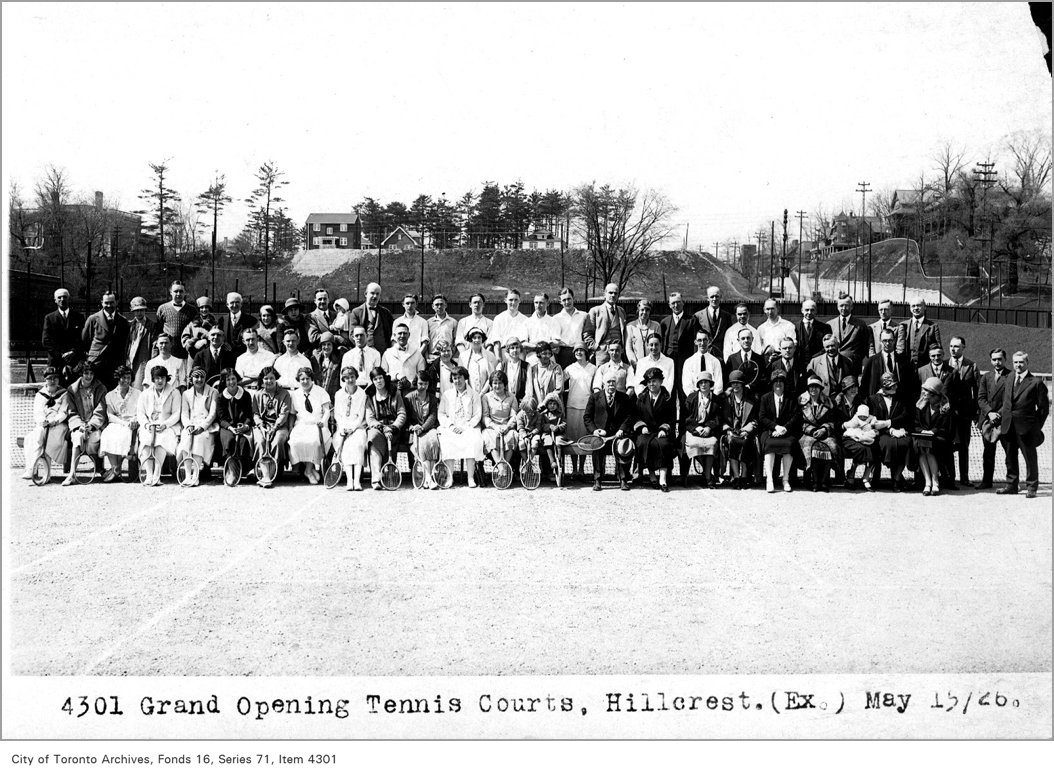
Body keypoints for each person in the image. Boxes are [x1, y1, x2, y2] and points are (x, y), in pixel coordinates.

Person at [997, 351, 1050, 498]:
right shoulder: (1009, 379)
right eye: (1015, 362)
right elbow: (1007, 402)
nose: (1018, 365)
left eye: (1021, 362)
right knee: (1010, 456)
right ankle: (1011, 485)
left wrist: (1035, 426)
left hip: (1026, 427)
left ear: (1027, 363)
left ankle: (1032, 487)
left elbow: (1044, 409)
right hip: (1008, 425)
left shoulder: (1036, 383)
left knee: (1030, 457)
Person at [584, 372, 634, 491]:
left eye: (613, 382)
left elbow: (629, 417)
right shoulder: (594, 397)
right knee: (596, 446)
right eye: (608, 382)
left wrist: (622, 429)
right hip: (600, 436)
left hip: (618, 435)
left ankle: (623, 479)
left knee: (623, 446)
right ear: (603, 384)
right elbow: (587, 417)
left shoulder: (624, 398)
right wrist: (595, 431)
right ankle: (597, 480)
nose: (611, 384)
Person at [865, 373, 914, 492]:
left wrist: (890, 423)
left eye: (895, 385)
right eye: (892, 386)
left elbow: (905, 416)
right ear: (884, 387)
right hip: (882, 433)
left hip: (899, 430)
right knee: (888, 444)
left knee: (906, 443)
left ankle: (896, 478)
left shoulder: (901, 398)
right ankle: (896, 478)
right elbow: (873, 421)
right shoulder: (873, 400)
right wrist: (889, 429)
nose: (895, 388)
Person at [437, 366, 483, 488]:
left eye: (460, 377)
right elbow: (441, 414)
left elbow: (477, 414)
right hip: (452, 427)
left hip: (468, 427)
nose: (457, 381)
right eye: (455, 378)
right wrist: (450, 426)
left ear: (465, 378)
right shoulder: (446, 395)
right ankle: (450, 477)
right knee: (446, 440)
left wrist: (466, 427)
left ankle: (470, 477)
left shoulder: (474, 394)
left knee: (473, 440)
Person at [62, 362, 108, 486]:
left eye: (91, 373)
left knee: (92, 442)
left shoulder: (101, 388)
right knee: (77, 438)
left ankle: (99, 468)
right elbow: (71, 412)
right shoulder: (72, 390)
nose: (89, 376)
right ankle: (72, 474)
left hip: (95, 427)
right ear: (81, 374)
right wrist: (80, 426)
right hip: (79, 426)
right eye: (86, 373)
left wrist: (91, 425)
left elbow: (101, 410)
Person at [136, 365, 183, 485]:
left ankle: (157, 474)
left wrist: (165, 425)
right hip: (149, 426)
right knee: (146, 439)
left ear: (166, 378)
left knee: (161, 440)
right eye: (157, 378)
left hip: (168, 426)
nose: (160, 381)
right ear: (152, 379)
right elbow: (140, 413)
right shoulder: (145, 394)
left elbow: (176, 413)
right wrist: (147, 425)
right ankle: (149, 475)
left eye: (162, 377)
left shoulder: (174, 392)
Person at [21, 366, 69, 481]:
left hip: (59, 426)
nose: (53, 381)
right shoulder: (40, 395)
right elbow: (37, 413)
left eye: (55, 378)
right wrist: (43, 421)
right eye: (50, 378)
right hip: (43, 425)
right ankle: (31, 468)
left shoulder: (64, 393)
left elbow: (64, 412)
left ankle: (46, 474)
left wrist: (53, 421)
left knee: (48, 439)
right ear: (45, 380)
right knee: (33, 437)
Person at [364, 367, 407, 491]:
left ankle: (387, 473)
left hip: (394, 430)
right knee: (372, 437)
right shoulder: (370, 396)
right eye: (375, 379)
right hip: (378, 428)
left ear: (384, 378)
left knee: (391, 442)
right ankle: (376, 478)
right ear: (372, 381)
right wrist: (383, 428)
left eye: (380, 378)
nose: (378, 381)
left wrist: (392, 428)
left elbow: (402, 413)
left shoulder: (395, 393)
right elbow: (370, 418)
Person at [633, 367, 675, 492]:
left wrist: (664, 429)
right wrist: (642, 426)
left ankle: (662, 479)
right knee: (643, 443)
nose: (652, 384)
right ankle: (652, 476)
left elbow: (672, 418)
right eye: (649, 381)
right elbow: (636, 416)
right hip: (646, 431)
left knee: (664, 444)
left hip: (662, 432)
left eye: (655, 381)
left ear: (661, 382)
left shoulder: (667, 398)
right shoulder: (641, 398)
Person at [759, 369, 801, 493]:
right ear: (771, 384)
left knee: (789, 444)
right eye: (775, 381)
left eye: (781, 381)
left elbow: (795, 416)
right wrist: (775, 427)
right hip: (769, 431)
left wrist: (784, 428)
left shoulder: (791, 398)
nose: (778, 384)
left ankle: (785, 479)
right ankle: (770, 480)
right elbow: (762, 417)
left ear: (785, 383)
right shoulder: (765, 398)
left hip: (787, 431)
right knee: (769, 444)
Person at [288, 366, 332, 484]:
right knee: (294, 442)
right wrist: (291, 428)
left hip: (317, 425)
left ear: (312, 378)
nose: (305, 381)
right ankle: (310, 469)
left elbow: (327, 410)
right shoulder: (295, 394)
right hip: (301, 425)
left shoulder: (320, 391)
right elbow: (292, 413)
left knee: (313, 441)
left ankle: (308, 470)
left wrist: (323, 421)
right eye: (302, 379)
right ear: (298, 380)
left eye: (307, 378)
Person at [975, 348, 1011, 490]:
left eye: (1000, 359)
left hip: (1005, 421)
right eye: (994, 359)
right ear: (991, 360)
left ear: (1005, 360)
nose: (997, 362)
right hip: (988, 422)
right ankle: (986, 481)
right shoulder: (986, 377)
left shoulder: (1011, 376)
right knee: (988, 453)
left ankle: (1011, 482)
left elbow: (1010, 400)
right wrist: (990, 413)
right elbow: (981, 398)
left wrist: (999, 414)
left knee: (1009, 452)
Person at [946, 336, 979, 487]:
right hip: (948, 413)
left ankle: (964, 477)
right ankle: (948, 477)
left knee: (964, 446)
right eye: (951, 346)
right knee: (948, 445)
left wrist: (975, 412)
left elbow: (978, 391)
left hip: (965, 412)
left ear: (963, 348)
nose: (953, 349)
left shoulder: (971, 365)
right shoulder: (945, 364)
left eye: (957, 347)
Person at [251, 366, 293, 487]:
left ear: (276, 379)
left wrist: (275, 428)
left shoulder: (285, 394)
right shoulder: (258, 394)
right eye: (265, 378)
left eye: (271, 378)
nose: (268, 381)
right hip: (262, 427)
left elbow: (284, 414)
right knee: (260, 441)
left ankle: (272, 472)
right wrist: (261, 426)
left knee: (277, 441)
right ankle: (266, 475)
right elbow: (255, 414)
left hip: (279, 427)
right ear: (262, 380)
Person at [177, 367, 219, 484]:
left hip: (206, 427)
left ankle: (196, 475)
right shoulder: (186, 394)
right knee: (186, 437)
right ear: (191, 379)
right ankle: (187, 475)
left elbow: (212, 414)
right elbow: (184, 413)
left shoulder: (213, 392)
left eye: (202, 377)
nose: (199, 379)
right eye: (196, 377)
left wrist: (202, 427)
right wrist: (188, 425)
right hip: (191, 425)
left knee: (199, 439)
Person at [798, 373, 839, 492]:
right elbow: (800, 421)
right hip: (808, 433)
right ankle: (815, 481)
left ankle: (824, 481)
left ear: (820, 389)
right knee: (812, 446)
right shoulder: (802, 402)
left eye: (816, 387)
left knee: (831, 445)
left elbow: (832, 421)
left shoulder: (829, 402)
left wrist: (824, 429)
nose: (813, 389)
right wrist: (812, 430)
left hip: (825, 433)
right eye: (811, 387)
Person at [100, 365, 140, 482]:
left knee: (125, 436)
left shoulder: (138, 393)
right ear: (118, 378)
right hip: (118, 422)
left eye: (128, 378)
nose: (126, 380)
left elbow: (142, 411)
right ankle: (115, 467)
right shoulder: (110, 395)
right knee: (107, 434)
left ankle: (117, 469)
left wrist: (135, 420)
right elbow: (110, 415)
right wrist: (123, 423)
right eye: (123, 378)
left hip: (133, 423)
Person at [913, 376, 953, 496]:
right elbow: (916, 424)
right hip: (923, 438)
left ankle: (935, 481)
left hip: (940, 439)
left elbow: (945, 428)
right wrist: (923, 432)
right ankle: (928, 482)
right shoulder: (921, 406)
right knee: (921, 447)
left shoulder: (945, 408)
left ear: (934, 393)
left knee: (927, 448)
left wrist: (933, 432)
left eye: (926, 391)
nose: (923, 393)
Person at [81, 291, 130, 389]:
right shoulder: (93, 319)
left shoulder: (123, 321)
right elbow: (85, 340)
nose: (109, 305)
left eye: (111, 302)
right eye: (106, 303)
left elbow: (125, 342)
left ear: (116, 302)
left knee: (113, 391)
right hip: (97, 362)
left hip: (115, 363)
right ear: (102, 303)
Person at [563, 343, 597, 481]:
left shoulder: (593, 368)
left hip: (587, 407)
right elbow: (560, 383)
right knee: (572, 438)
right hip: (571, 406)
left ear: (586, 352)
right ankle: (573, 469)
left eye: (581, 350)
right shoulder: (569, 369)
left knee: (583, 439)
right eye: (576, 350)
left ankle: (581, 469)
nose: (579, 353)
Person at [682, 370, 721, 488]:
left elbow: (717, 417)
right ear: (698, 385)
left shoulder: (716, 399)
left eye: (706, 382)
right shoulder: (691, 398)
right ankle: (685, 476)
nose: (703, 385)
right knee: (690, 443)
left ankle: (708, 475)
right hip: (694, 429)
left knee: (712, 443)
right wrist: (696, 427)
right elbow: (686, 417)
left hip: (709, 430)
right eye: (701, 382)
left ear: (710, 384)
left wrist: (709, 427)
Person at [333, 365, 369, 491]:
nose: (350, 380)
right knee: (345, 445)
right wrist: (343, 428)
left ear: (356, 377)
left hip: (358, 428)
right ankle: (349, 480)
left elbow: (361, 415)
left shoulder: (362, 394)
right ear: (343, 379)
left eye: (352, 377)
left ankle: (357, 481)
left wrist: (352, 428)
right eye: (346, 377)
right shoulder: (338, 394)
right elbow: (337, 414)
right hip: (342, 428)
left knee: (358, 444)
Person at [405, 369, 442, 489]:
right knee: (422, 446)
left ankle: (428, 479)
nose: (423, 386)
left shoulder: (432, 398)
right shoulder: (408, 398)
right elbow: (405, 418)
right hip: (413, 432)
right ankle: (429, 478)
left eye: (426, 384)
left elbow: (432, 416)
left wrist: (423, 427)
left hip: (429, 429)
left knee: (433, 442)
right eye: (421, 383)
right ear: (416, 383)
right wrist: (413, 427)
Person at [721, 370, 758, 488]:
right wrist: (728, 430)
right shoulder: (726, 400)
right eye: (733, 383)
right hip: (731, 431)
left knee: (746, 441)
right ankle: (736, 477)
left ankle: (744, 475)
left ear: (743, 384)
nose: (735, 385)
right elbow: (722, 419)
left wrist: (746, 430)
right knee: (731, 441)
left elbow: (756, 419)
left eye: (738, 383)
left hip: (746, 431)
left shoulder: (752, 399)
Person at [216, 367, 255, 475]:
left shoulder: (246, 395)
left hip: (243, 426)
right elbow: (221, 418)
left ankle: (244, 470)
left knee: (243, 441)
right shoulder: (220, 397)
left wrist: (245, 426)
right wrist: (230, 428)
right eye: (228, 380)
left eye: (233, 379)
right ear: (224, 382)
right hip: (227, 427)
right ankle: (232, 471)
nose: (231, 382)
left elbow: (249, 415)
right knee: (228, 439)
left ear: (237, 379)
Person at [42, 287, 85, 384]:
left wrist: (73, 352)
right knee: (56, 392)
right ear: (55, 300)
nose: (62, 299)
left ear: (69, 299)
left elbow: (83, 339)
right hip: (56, 362)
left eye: (64, 297)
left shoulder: (79, 317)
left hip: (75, 362)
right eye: (59, 297)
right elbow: (46, 341)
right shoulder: (49, 318)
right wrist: (61, 354)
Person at [481, 370, 518, 478]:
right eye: (495, 383)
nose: (497, 386)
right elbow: (485, 416)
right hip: (492, 427)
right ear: (491, 385)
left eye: (500, 383)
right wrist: (495, 427)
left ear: (505, 384)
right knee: (489, 437)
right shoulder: (486, 397)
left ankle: (503, 469)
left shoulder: (512, 397)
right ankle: (502, 469)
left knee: (512, 436)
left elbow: (513, 416)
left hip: (507, 427)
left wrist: (507, 427)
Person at [860, 328, 916, 400]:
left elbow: (911, 384)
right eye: (884, 341)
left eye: (890, 340)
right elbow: (864, 385)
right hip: (878, 403)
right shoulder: (872, 361)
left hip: (899, 402)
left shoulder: (904, 361)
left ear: (894, 341)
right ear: (880, 341)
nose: (887, 343)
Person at [582, 283, 627, 364]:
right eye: (610, 292)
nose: (613, 295)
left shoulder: (621, 311)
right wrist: (595, 347)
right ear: (604, 294)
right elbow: (587, 334)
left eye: (615, 293)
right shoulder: (595, 311)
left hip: (618, 352)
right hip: (602, 352)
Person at [828, 293, 870, 374]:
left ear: (852, 306)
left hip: (853, 366)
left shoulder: (860, 325)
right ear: (837, 307)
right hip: (833, 366)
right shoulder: (829, 324)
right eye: (841, 305)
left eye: (846, 305)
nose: (843, 308)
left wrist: (855, 357)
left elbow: (865, 346)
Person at [841, 404, 880, 490]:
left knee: (874, 450)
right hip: (853, 437)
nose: (862, 417)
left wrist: (872, 426)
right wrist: (846, 426)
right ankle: (851, 475)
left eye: (864, 416)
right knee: (860, 449)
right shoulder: (855, 418)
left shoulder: (871, 418)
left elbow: (876, 424)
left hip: (868, 437)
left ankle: (865, 477)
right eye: (861, 416)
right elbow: (847, 425)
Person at [349, 283, 394, 355]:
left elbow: (391, 333)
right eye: (372, 293)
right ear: (366, 294)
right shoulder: (356, 312)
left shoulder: (386, 313)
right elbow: (352, 334)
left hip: (383, 353)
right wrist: (363, 347)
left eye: (377, 294)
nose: (375, 296)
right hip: (364, 353)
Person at [155, 280, 195, 360]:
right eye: (176, 291)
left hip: (185, 352)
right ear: (170, 292)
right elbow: (158, 330)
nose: (178, 294)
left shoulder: (192, 310)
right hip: (168, 352)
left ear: (185, 293)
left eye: (181, 291)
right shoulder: (162, 308)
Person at [898, 298, 942, 368]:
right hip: (906, 367)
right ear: (910, 308)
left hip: (925, 367)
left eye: (918, 305)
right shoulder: (904, 325)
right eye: (913, 306)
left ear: (925, 307)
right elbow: (899, 348)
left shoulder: (933, 327)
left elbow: (938, 348)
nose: (916, 308)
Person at [725, 328, 769, 398]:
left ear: (752, 339)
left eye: (748, 338)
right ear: (738, 341)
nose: (746, 341)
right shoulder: (732, 358)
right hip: (736, 396)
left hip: (754, 397)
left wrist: (751, 386)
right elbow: (727, 378)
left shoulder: (759, 359)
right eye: (743, 338)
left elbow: (763, 379)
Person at [681, 329, 725, 399]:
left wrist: (711, 399)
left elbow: (719, 385)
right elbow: (687, 385)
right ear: (695, 342)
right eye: (699, 340)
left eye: (705, 340)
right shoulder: (689, 362)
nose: (702, 343)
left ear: (709, 341)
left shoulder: (715, 361)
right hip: (694, 399)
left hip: (712, 398)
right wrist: (696, 399)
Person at [490, 289, 531, 362]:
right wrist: (499, 359)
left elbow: (525, 342)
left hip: (520, 354)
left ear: (519, 301)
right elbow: (497, 342)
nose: (513, 302)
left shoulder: (526, 320)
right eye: (511, 300)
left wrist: (524, 361)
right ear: (505, 300)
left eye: (516, 300)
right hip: (504, 353)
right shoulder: (498, 318)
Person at [125, 296, 156, 390]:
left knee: (139, 387)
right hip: (129, 360)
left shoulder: (151, 326)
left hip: (143, 361)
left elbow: (154, 345)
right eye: (136, 310)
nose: (139, 313)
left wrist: (153, 362)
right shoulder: (129, 325)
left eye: (141, 310)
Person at [523, 293, 562, 365]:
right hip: (532, 358)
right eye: (536, 302)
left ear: (547, 303)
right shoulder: (527, 322)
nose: (538, 305)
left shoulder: (553, 321)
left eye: (541, 303)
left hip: (548, 357)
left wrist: (546, 346)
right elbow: (523, 344)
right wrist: (537, 347)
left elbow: (557, 342)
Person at [215, 292, 258, 358]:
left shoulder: (251, 320)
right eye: (232, 302)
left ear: (241, 304)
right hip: (226, 358)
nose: (234, 305)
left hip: (245, 357)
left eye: (237, 302)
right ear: (227, 304)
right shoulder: (221, 321)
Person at [553, 288, 587, 369]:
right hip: (563, 353)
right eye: (564, 300)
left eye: (569, 299)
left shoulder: (584, 316)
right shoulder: (556, 318)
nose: (567, 302)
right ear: (560, 301)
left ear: (573, 299)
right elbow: (555, 338)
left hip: (580, 351)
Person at [693, 286, 733, 352]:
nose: (714, 299)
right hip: (704, 353)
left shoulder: (726, 316)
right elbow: (695, 339)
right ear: (707, 298)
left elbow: (730, 337)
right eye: (712, 297)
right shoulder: (698, 316)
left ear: (721, 297)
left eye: (717, 296)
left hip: (721, 354)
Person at [454, 293, 493, 360]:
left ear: (483, 305)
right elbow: (459, 341)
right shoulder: (463, 322)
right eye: (475, 302)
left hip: (484, 357)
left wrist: (485, 356)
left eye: (479, 303)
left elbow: (490, 343)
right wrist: (465, 355)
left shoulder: (490, 323)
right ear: (470, 305)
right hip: (465, 357)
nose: (477, 305)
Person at [459, 326, 497, 394]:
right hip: (468, 394)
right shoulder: (463, 356)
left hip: (485, 394)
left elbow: (492, 376)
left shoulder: (490, 355)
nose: (477, 340)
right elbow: (461, 377)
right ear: (470, 339)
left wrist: (482, 393)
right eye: (474, 338)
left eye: (479, 337)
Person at [626, 299, 662, 367]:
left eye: (647, 310)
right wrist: (634, 363)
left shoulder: (656, 326)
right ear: (638, 311)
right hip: (636, 365)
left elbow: (658, 347)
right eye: (642, 310)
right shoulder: (630, 326)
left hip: (652, 364)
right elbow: (628, 348)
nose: (644, 312)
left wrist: (654, 363)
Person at [795, 299, 831, 363]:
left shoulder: (824, 327)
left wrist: (815, 358)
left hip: (818, 362)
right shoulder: (795, 327)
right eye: (807, 310)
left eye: (812, 310)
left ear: (816, 311)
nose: (809, 312)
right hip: (799, 363)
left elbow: (827, 346)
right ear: (802, 310)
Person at [428, 294, 460, 362]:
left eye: (441, 304)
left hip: (447, 357)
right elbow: (426, 342)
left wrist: (451, 355)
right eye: (437, 304)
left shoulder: (453, 322)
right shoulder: (428, 322)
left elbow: (456, 341)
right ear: (433, 306)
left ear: (446, 305)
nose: (439, 307)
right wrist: (427, 358)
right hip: (432, 357)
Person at [313, 331, 343, 399]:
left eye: (329, 344)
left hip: (334, 395)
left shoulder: (338, 359)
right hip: (319, 396)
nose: (326, 347)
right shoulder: (316, 359)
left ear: (333, 345)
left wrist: (337, 338)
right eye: (324, 344)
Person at [498, 336, 529, 401]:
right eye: (512, 348)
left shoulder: (527, 366)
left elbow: (529, 389)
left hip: (521, 402)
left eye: (517, 347)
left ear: (520, 349)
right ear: (508, 350)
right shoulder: (501, 366)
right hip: (505, 401)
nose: (515, 350)